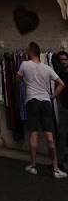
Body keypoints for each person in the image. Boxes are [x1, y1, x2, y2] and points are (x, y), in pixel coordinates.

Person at [17, 41, 67, 177]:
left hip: (32, 101)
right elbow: (61, 84)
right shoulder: (47, 68)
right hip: (45, 102)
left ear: (30, 52)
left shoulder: (24, 65)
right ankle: (56, 169)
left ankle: (33, 166)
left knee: (34, 134)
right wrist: (52, 96)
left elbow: (17, 80)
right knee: (49, 135)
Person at [53, 50, 68, 170]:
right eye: (61, 60)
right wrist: (58, 102)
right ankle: (60, 162)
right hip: (64, 109)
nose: (63, 62)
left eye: (65, 59)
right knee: (61, 135)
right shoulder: (59, 75)